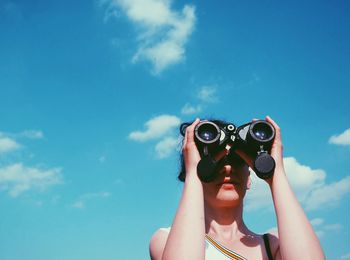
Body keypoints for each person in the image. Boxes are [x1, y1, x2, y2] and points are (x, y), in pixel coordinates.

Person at [149, 116, 325, 260]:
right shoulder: (165, 239)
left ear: (249, 177)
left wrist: (276, 174)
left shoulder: (272, 246)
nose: (227, 168)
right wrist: (194, 174)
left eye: (237, 160)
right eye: (217, 162)